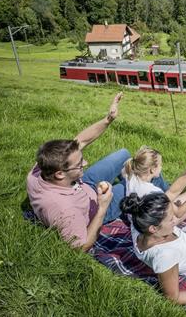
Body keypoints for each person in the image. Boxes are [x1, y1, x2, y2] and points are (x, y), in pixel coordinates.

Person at [27, 92, 129, 252]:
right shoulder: (65, 210)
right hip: (96, 208)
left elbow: (81, 140)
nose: (86, 163)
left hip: (82, 184)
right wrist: (102, 207)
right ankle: (168, 198)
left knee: (123, 154)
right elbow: (81, 247)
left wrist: (108, 119)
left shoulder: (40, 169)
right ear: (60, 173)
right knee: (137, 181)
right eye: (80, 164)